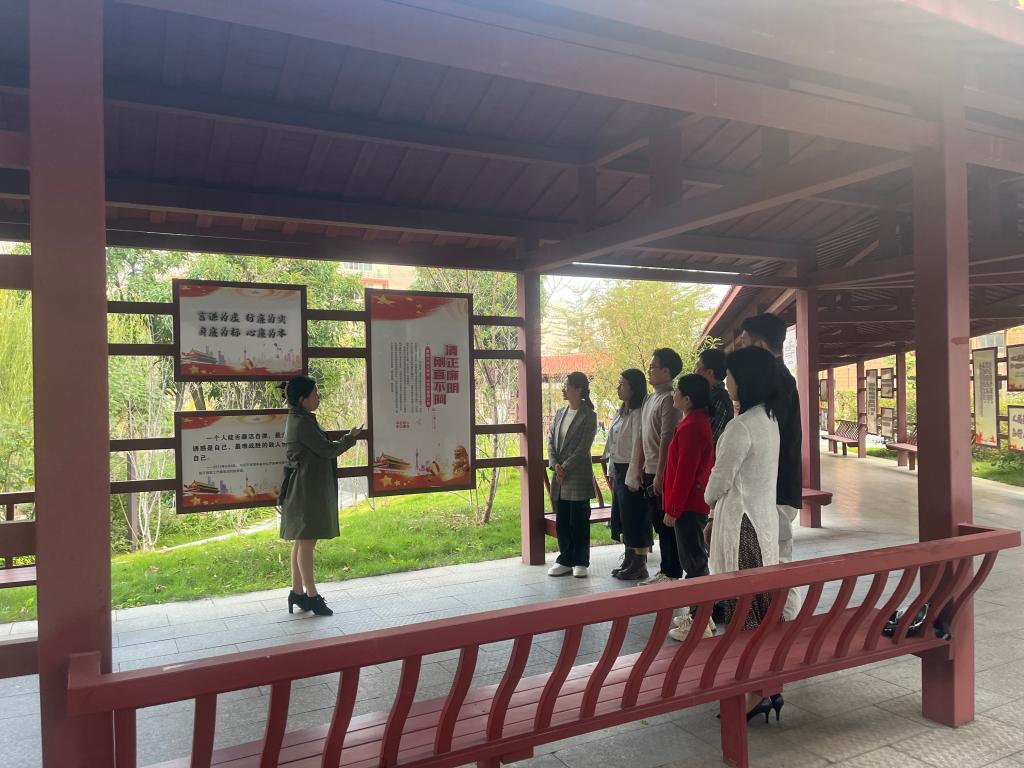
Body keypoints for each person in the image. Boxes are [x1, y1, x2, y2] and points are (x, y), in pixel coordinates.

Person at [704, 346, 784, 720]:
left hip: (741, 527)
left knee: (743, 613)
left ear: (745, 379)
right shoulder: (770, 419)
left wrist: (707, 502)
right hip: (762, 524)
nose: (728, 380)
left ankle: (752, 692)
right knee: (761, 610)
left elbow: (720, 479)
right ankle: (767, 686)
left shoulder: (741, 426)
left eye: (731, 374)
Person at [735, 313, 803, 621]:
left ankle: (785, 625)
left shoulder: (777, 382)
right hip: (772, 486)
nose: (739, 350)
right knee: (770, 556)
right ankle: (773, 621)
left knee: (777, 557)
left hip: (776, 487)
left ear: (761, 345)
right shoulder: (777, 379)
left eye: (744, 343)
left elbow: (769, 441)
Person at [278, 376, 363, 616]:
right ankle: (312, 596)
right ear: (302, 399)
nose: (318, 397)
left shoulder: (298, 418)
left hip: (303, 486)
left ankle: (297, 592)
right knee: (307, 542)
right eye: (314, 393)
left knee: (302, 540)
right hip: (306, 488)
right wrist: (350, 437)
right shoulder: (302, 422)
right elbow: (327, 450)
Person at [662, 374, 716, 641]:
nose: (673, 394)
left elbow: (685, 472)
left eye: (677, 391)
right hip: (690, 503)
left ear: (688, 399)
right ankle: (702, 616)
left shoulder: (693, 426)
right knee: (694, 560)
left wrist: (673, 508)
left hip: (689, 506)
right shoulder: (694, 422)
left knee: (694, 562)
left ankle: (699, 622)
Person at [626, 347, 683, 585]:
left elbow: (667, 438)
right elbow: (642, 434)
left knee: (667, 523)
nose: (649, 371)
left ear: (666, 372)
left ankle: (672, 572)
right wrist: (639, 466)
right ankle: (665, 569)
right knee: (658, 523)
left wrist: (660, 473)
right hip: (649, 470)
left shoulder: (669, 399)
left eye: (653, 367)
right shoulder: (650, 398)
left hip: (663, 472)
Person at [547, 372, 599, 578]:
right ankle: (565, 559)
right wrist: (555, 465)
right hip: (560, 474)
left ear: (578, 389)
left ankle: (581, 561)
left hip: (576, 474)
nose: (564, 389)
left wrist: (565, 467)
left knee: (579, 520)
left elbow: (583, 447)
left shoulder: (589, 415)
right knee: (562, 520)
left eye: (567, 385)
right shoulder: (560, 412)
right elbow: (550, 440)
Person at [603, 369, 651, 581]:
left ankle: (640, 564)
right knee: (624, 516)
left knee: (636, 516)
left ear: (634, 388)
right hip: (619, 468)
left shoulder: (640, 412)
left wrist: (634, 473)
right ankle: (630, 558)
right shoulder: (622, 410)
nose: (618, 387)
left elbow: (638, 446)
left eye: (622, 384)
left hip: (634, 468)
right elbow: (613, 442)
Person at [695, 348, 734, 445]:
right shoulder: (708, 395)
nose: (694, 370)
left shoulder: (719, 399)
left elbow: (708, 437)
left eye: (697, 366)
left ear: (709, 372)